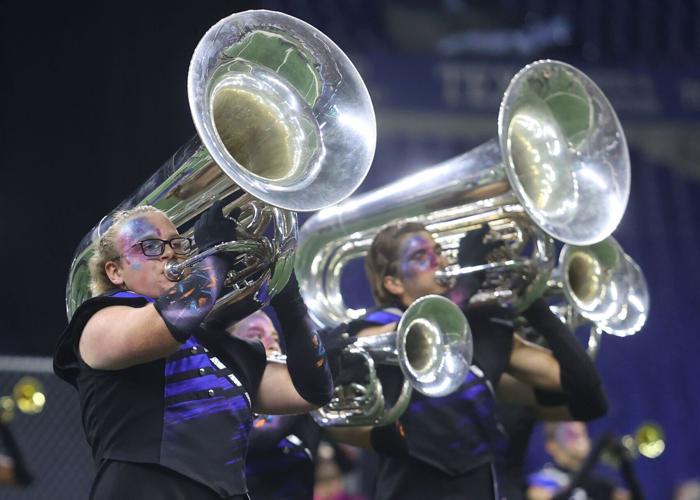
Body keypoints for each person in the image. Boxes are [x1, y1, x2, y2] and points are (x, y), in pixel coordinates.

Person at [53, 201, 334, 500]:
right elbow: (167, 327)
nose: (171, 252)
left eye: (177, 243)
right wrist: (213, 260)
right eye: (150, 245)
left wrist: (290, 302)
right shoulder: (99, 320)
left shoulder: (221, 346)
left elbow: (312, 391)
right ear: (115, 271)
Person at [326, 221, 608, 500]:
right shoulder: (375, 328)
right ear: (393, 282)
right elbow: (421, 329)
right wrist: (466, 284)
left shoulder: (483, 331)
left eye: (438, 250)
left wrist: (533, 302)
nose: (438, 261)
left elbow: (586, 390)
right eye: (420, 256)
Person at [228, 310, 324, 500]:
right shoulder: (220, 402)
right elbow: (260, 437)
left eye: (276, 339)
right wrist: (309, 387)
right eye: (257, 336)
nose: (272, 345)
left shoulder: (304, 408)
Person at [526, 422, 630, 500]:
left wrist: (625, 463)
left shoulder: (598, 483)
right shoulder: (542, 480)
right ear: (552, 446)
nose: (581, 440)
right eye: (572, 435)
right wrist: (595, 453)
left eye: (583, 433)